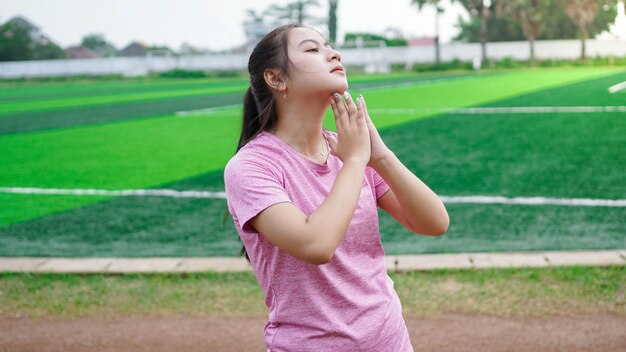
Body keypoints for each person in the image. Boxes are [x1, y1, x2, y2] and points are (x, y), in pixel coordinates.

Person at [223, 23, 449, 351]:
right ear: (276, 78)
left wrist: (380, 157)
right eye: (313, 49)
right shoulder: (251, 167)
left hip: (390, 341)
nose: (334, 54)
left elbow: (434, 223)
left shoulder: (349, 148)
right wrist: (357, 160)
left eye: (328, 46)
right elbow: (317, 245)